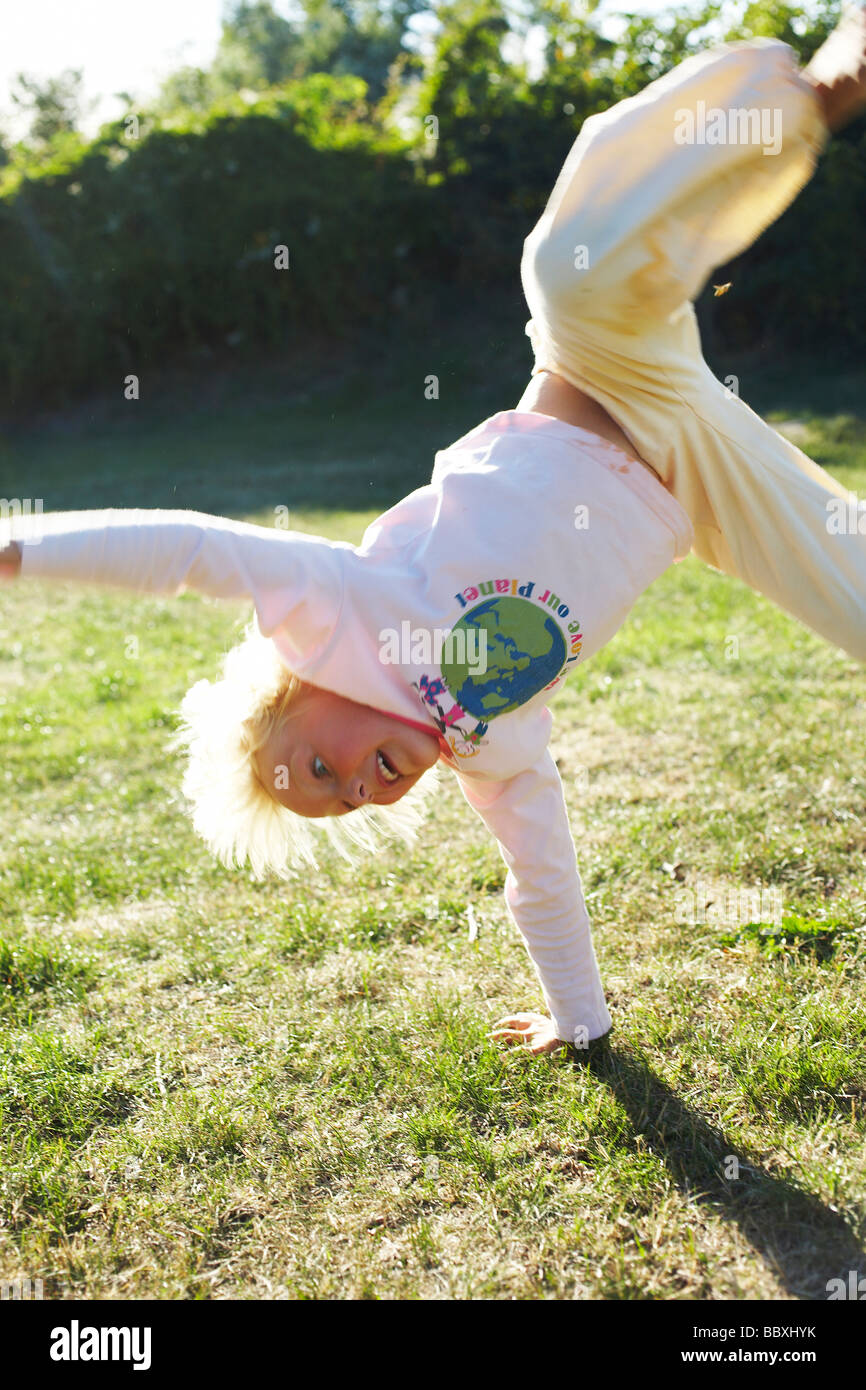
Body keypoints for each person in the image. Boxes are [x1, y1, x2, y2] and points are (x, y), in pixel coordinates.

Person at [2, 8, 865, 1057]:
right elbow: (539, 875)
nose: (360, 787)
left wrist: (21, 550)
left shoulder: (338, 613)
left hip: (605, 373)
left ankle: (809, 95)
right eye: (347, 804)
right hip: (696, 483)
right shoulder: (488, 749)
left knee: (567, 262)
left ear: (297, 685)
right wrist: (577, 1022)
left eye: (318, 769)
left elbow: (190, 550)